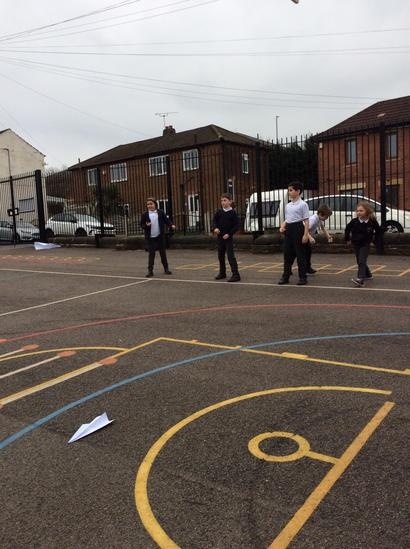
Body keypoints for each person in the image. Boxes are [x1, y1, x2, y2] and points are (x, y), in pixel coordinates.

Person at [278, 181, 310, 285]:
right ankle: (285, 276)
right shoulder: (288, 205)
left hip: (298, 228)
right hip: (289, 229)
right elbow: (287, 219)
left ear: (298, 191)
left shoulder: (303, 204)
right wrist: (282, 226)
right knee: (287, 254)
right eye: (289, 190)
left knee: (300, 254)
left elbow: (306, 220)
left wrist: (305, 235)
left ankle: (303, 278)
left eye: (291, 190)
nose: (289, 192)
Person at [344, 201, 381, 287]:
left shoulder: (372, 221)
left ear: (367, 211)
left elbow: (378, 231)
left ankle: (360, 279)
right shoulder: (354, 221)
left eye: (361, 211)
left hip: (365, 244)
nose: (358, 212)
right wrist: (347, 239)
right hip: (356, 243)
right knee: (359, 261)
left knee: (361, 260)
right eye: (357, 211)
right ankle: (368, 274)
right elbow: (347, 229)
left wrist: (375, 241)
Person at [140, 197, 175, 277]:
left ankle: (166, 269)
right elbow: (142, 225)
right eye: (148, 204)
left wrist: (171, 225)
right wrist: (146, 225)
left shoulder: (160, 212)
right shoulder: (145, 214)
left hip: (160, 236)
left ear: (155, 204)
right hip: (150, 238)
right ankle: (150, 271)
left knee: (163, 253)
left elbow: (166, 220)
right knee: (151, 254)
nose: (149, 206)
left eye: (151, 204)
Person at [212, 193, 241, 282]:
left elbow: (236, 225)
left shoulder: (233, 213)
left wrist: (229, 234)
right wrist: (215, 228)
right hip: (220, 237)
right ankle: (222, 273)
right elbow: (214, 220)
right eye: (222, 200)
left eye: (225, 200)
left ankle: (236, 275)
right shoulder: (219, 212)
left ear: (230, 201)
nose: (223, 202)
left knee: (230, 256)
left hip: (228, 238)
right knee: (220, 256)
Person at [305, 203, 333, 274]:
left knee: (308, 252)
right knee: (299, 253)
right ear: (320, 214)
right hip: (302, 236)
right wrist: (310, 238)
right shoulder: (313, 220)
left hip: (307, 237)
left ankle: (307, 267)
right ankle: (290, 268)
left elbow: (323, 228)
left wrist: (328, 236)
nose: (327, 218)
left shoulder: (319, 219)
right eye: (326, 216)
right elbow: (304, 229)